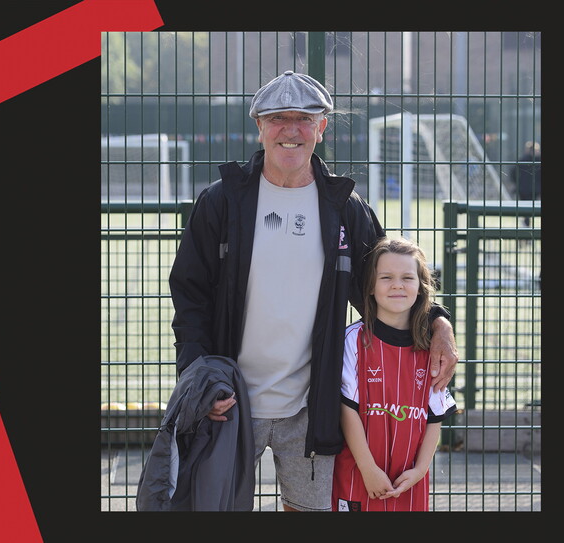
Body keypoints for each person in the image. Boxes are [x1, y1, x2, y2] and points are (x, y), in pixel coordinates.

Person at [167, 70, 459, 512]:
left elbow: (381, 283)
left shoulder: (343, 207)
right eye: (277, 118)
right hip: (231, 401)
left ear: (321, 128)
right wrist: (200, 379)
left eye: (304, 119)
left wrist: (439, 323)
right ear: (259, 126)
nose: (291, 129)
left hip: (311, 404)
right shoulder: (222, 201)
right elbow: (189, 295)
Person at [332, 237, 457, 511]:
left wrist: (421, 470)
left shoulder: (431, 348)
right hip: (359, 473)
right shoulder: (353, 341)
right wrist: (368, 469)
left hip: (408, 479)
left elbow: (434, 417)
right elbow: (347, 410)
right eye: (386, 277)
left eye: (407, 278)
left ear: (421, 287)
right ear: (371, 287)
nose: (397, 285)